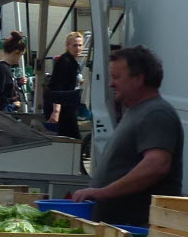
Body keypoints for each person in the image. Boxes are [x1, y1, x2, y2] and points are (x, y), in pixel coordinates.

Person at [73, 45, 184, 226]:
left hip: (136, 232)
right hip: (118, 229)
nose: (111, 83)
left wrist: (104, 192)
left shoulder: (156, 113)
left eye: (117, 77)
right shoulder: (136, 111)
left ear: (139, 79)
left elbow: (156, 165)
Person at [46, 31, 85, 139]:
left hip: (69, 105)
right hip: (63, 107)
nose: (78, 48)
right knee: (72, 138)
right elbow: (57, 86)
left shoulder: (72, 62)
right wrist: (56, 111)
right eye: (75, 45)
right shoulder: (65, 62)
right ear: (68, 46)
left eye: (80, 45)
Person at [0, 31, 28, 112]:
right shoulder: (1, 68)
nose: (20, 59)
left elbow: (5, 87)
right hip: (3, 114)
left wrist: (18, 82)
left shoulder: (6, 68)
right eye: (21, 55)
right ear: (16, 52)